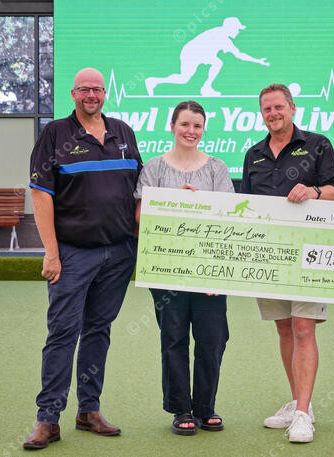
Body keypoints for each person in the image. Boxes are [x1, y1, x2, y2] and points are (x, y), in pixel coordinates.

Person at [23, 68, 142, 450]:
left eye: (97, 89)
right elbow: (40, 194)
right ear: (73, 94)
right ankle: (48, 419)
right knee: (62, 334)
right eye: (84, 89)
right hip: (72, 254)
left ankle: (89, 411)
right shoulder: (55, 134)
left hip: (119, 253)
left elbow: (140, 192)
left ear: (105, 93)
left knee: (98, 331)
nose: (91, 95)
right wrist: (52, 253)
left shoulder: (123, 132)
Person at [241, 84, 334, 443]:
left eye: (278, 107)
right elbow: (245, 206)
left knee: (303, 328)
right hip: (268, 255)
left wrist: (314, 192)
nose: (273, 114)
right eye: (267, 109)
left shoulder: (318, 144)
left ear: (292, 108)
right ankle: (303, 403)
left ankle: (301, 417)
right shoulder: (253, 154)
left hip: (309, 253)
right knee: (284, 329)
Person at [134, 100, 234, 436]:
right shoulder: (154, 168)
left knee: (212, 339)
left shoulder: (217, 168)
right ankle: (181, 409)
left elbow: (230, 218)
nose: (191, 131)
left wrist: (201, 203)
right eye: (185, 124)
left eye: (197, 126)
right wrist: (174, 201)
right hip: (166, 270)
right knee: (173, 338)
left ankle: (205, 408)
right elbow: (140, 216)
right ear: (172, 126)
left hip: (210, 272)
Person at [144, 17, 269, 97]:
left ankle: (153, 81)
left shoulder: (223, 37)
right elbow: (238, 55)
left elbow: (239, 54)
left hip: (198, 54)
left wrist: (258, 61)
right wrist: (258, 61)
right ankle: (206, 88)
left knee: (185, 78)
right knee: (211, 65)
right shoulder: (221, 36)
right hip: (191, 53)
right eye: (237, 29)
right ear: (230, 28)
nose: (238, 31)